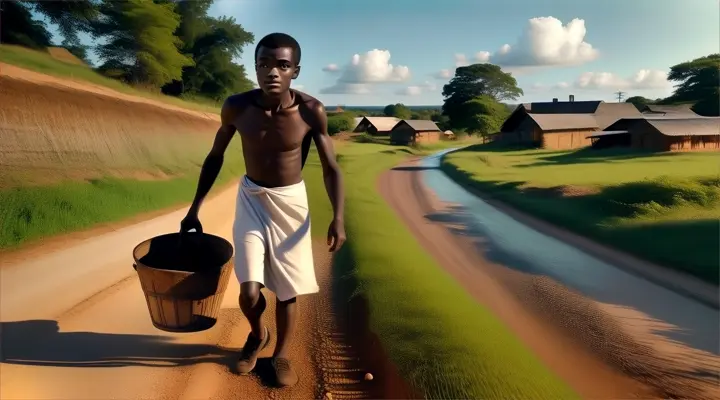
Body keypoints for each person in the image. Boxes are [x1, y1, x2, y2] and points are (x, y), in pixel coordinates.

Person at [179, 32, 346, 387]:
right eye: (264, 64)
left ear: (295, 71)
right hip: (252, 199)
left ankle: (281, 354)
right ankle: (258, 335)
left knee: (287, 289)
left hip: (291, 204)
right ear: (255, 68)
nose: (272, 72)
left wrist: (338, 217)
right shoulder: (237, 107)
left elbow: (331, 167)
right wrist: (194, 209)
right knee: (249, 289)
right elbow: (215, 157)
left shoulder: (310, 111)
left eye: (282, 65)